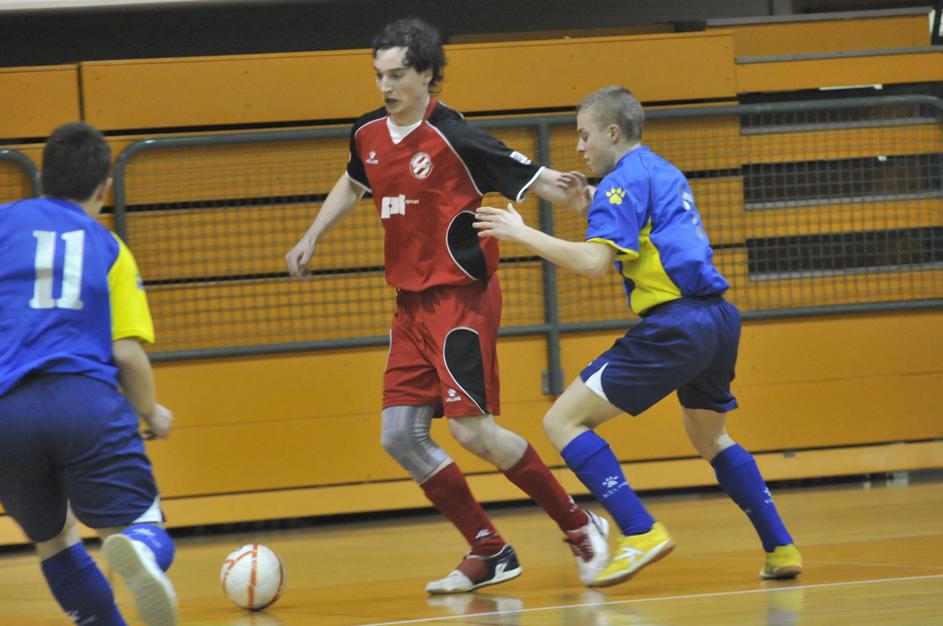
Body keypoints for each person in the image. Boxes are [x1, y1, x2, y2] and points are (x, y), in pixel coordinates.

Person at [285, 17, 608, 593]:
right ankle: (490, 550)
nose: (385, 86)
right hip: (409, 307)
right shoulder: (367, 132)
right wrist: (313, 234)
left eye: (397, 75)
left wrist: (579, 193)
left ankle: (579, 524)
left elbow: (537, 179)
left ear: (427, 74)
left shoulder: (456, 136)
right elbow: (354, 181)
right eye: (379, 75)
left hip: (461, 300)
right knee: (398, 436)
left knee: (474, 433)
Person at [474, 85, 803, 588]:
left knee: (562, 421)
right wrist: (591, 204)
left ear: (612, 132)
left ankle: (639, 530)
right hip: (718, 319)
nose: (579, 148)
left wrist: (521, 233)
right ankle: (780, 547)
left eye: (584, 136)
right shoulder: (661, 170)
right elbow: (650, 231)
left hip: (676, 324)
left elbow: (593, 263)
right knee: (710, 435)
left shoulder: (620, 183)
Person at [0, 122, 178, 625]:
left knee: (55, 542)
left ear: (40, 179)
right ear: (105, 189)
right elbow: (125, 353)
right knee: (142, 521)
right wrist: (151, 412)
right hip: (84, 401)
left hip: (7, 412)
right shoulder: (109, 247)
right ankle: (141, 548)